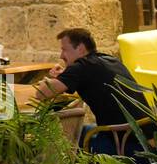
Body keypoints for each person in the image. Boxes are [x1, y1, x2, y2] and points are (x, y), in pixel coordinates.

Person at [34, 27, 144, 155]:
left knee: (65, 138)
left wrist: (45, 83)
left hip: (123, 146)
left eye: (64, 49)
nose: (61, 55)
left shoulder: (82, 66)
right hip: (144, 140)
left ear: (80, 48)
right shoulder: (108, 59)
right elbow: (89, 79)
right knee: (80, 130)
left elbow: (41, 93)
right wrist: (64, 76)